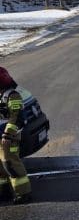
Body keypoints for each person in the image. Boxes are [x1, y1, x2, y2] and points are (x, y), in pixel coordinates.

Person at [0, 66, 32, 204]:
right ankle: (4, 192)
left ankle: (23, 193)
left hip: (9, 138)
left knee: (10, 163)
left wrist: (8, 134)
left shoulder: (12, 95)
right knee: (1, 167)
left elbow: (16, 116)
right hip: (1, 137)